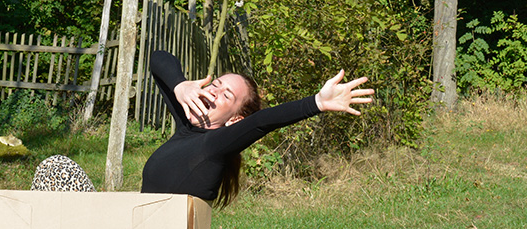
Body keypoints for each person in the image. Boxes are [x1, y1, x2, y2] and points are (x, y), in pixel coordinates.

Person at [140, 50, 374, 207]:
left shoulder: (214, 146)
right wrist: (180, 85)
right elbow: (158, 58)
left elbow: (262, 121)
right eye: (216, 84)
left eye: (226, 95)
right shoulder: (187, 125)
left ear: (234, 120)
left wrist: (316, 103)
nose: (213, 91)